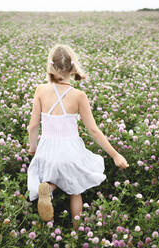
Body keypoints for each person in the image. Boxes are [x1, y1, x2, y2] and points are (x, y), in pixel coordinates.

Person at [26, 44, 129, 230]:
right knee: (76, 189)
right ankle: (77, 230)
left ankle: (48, 189)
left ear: (50, 66)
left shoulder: (40, 90)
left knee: (54, 174)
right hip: (71, 151)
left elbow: (33, 126)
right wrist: (115, 154)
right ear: (73, 68)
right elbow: (94, 130)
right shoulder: (78, 95)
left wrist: (33, 148)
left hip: (47, 149)